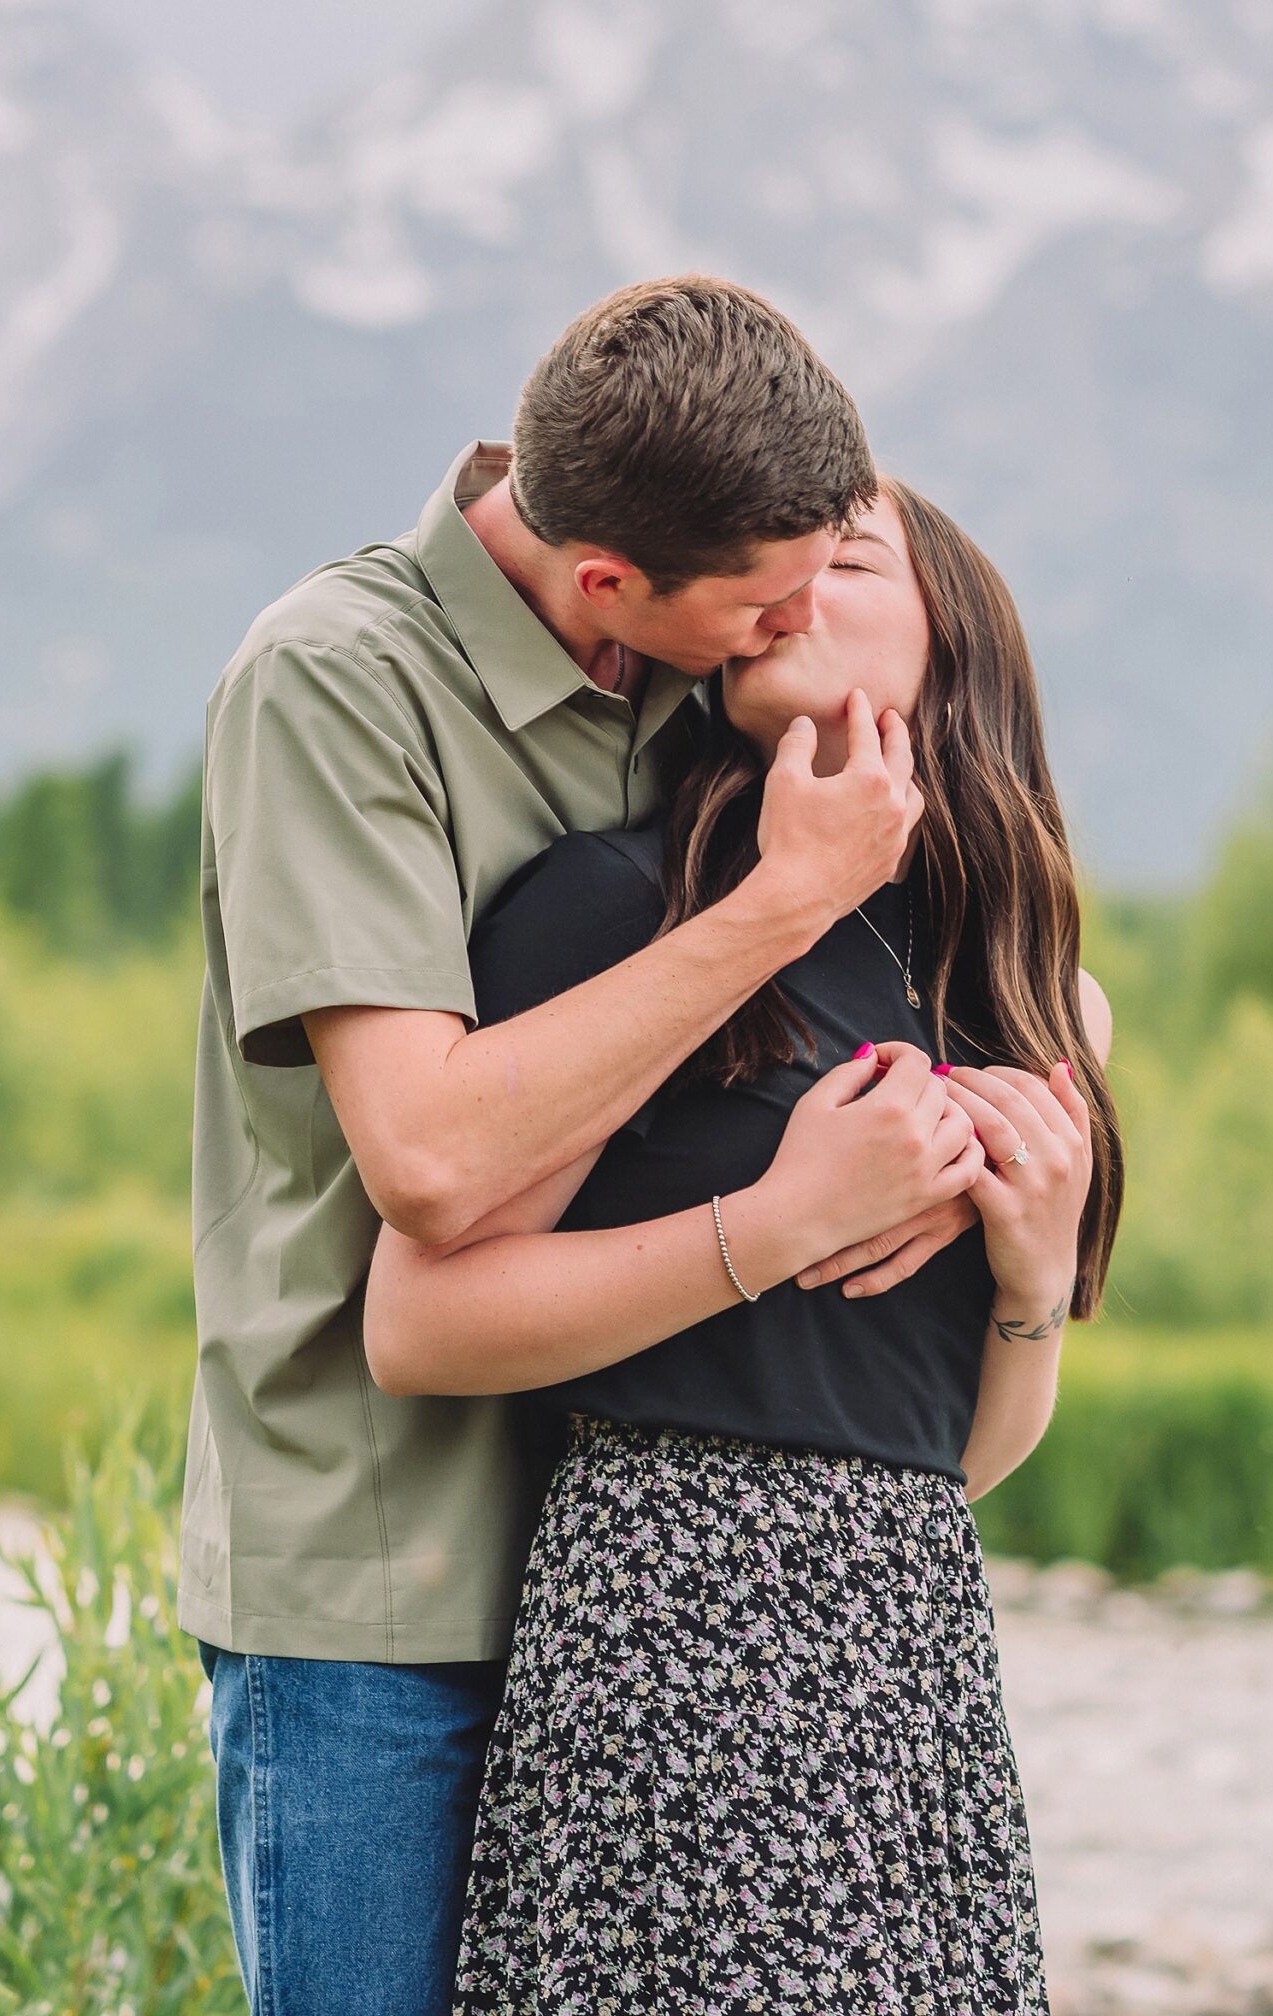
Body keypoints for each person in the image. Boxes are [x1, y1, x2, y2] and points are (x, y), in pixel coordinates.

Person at [182, 277, 996, 2016]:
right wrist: (778, 906)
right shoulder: (338, 683)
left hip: (612, 1589)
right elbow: (428, 1164)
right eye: (766, 598)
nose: (785, 624)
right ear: (611, 578)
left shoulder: (669, 668)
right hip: (373, 1584)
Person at [364, 475, 1124, 2014]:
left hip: (909, 1655)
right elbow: (419, 1326)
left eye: (842, 558)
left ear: (954, 642)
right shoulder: (618, 909)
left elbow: (951, 1456)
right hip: (669, 1637)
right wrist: (777, 1224)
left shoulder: (1041, 1004)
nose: (785, 588)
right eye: (762, 563)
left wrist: (1036, 1278)